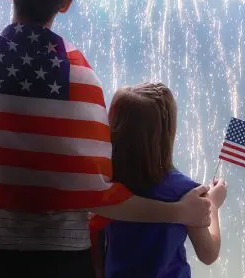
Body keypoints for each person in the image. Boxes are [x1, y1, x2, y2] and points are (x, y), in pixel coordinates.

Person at [0, 0, 214, 278]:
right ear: (65, 4)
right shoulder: (80, 79)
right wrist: (178, 212)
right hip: (60, 262)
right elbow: (97, 195)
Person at [90, 83, 227, 278]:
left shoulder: (106, 185)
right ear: (167, 134)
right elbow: (208, 253)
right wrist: (212, 205)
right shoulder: (188, 193)